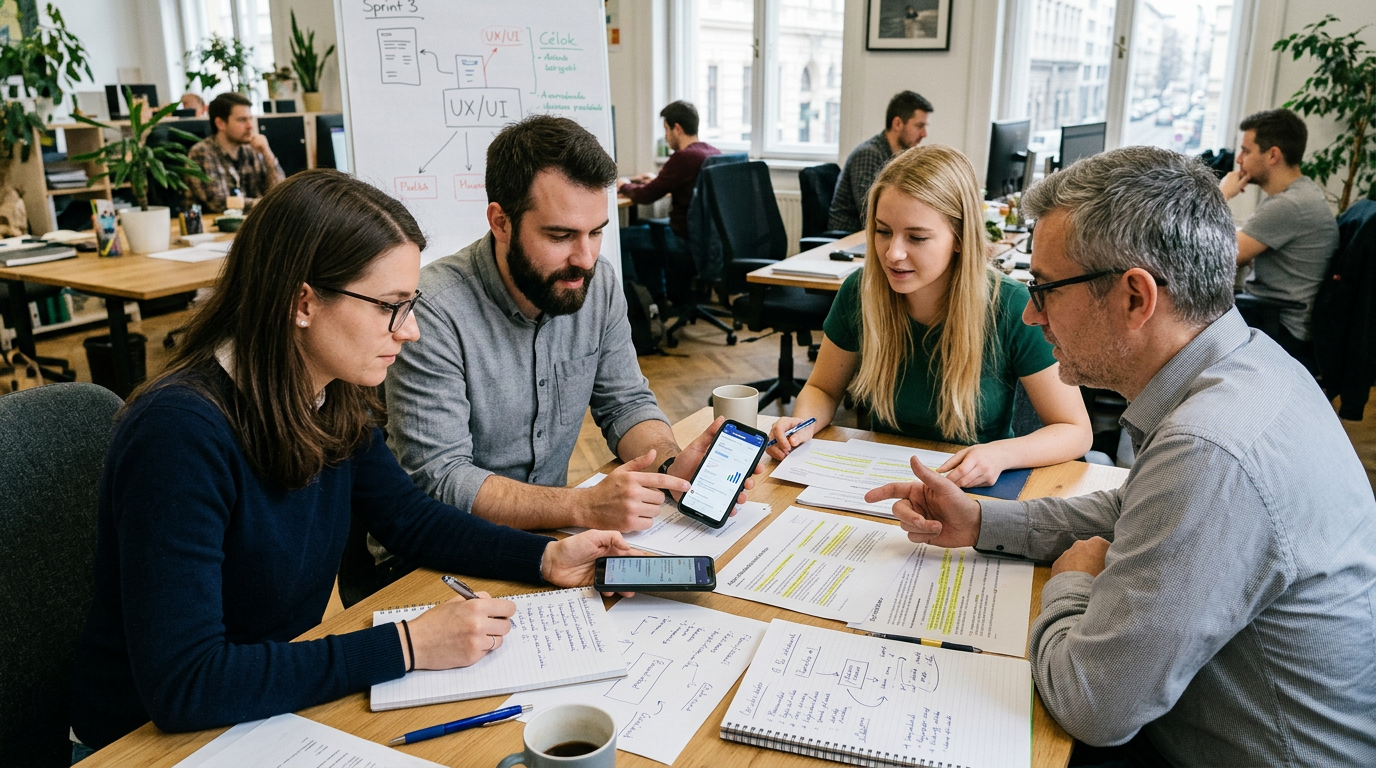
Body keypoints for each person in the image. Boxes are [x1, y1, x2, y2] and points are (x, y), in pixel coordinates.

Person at [67, 170, 643, 758]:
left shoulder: (328, 394)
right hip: (143, 742)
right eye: (392, 306)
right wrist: (407, 646)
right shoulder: (178, 434)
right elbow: (186, 683)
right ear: (303, 302)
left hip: (259, 709)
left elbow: (409, 520)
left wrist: (546, 556)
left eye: (411, 304)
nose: (411, 330)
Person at [867, 146, 1376, 766]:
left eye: (1046, 288)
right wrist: (982, 522)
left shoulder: (1210, 449)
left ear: (1137, 297)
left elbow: (1093, 705)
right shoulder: (1251, 365)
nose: (1031, 313)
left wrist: (1073, 583)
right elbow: (1138, 507)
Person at [385, 114, 756, 535]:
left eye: (595, 232)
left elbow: (626, 403)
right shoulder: (433, 310)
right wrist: (582, 506)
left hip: (548, 533)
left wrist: (671, 463)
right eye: (561, 236)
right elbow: (441, 479)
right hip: (436, 553)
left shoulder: (597, 285)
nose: (585, 258)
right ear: (500, 222)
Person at [769, 145, 1091, 488]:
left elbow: (1074, 431)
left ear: (959, 237)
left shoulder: (1011, 307)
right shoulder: (861, 292)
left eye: (917, 237)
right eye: (882, 231)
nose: (893, 253)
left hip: (973, 488)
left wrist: (1001, 454)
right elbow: (823, 388)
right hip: (880, 478)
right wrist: (801, 423)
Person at [1219, 108, 1338, 368]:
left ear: (1273, 155)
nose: (1238, 159)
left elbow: (1218, 257)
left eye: (1246, 151)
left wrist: (1221, 195)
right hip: (1273, 314)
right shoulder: (1299, 194)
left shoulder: (1290, 205)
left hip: (1281, 327)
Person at [617, 101, 721, 304]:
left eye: (666, 129)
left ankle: (639, 305)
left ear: (678, 128)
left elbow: (646, 196)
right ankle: (659, 298)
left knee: (621, 238)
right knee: (642, 231)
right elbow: (685, 187)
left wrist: (623, 185)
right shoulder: (712, 153)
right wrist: (655, 180)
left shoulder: (683, 158)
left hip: (684, 241)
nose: (665, 137)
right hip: (708, 242)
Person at [828, 90, 932, 234]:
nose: (924, 134)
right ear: (897, 124)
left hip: (877, 234)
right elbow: (871, 210)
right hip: (849, 238)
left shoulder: (899, 158)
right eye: (919, 126)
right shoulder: (868, 154)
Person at [183, 92, 285, 214]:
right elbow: (218, 202)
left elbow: (280, 192)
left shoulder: (251, 149)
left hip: (249, 222)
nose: (250, 126)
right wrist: (266, 204)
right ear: (220, 123)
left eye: (250, 119)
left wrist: (267, 153)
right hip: (214, 227)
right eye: (242, 120)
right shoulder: (201, 153)